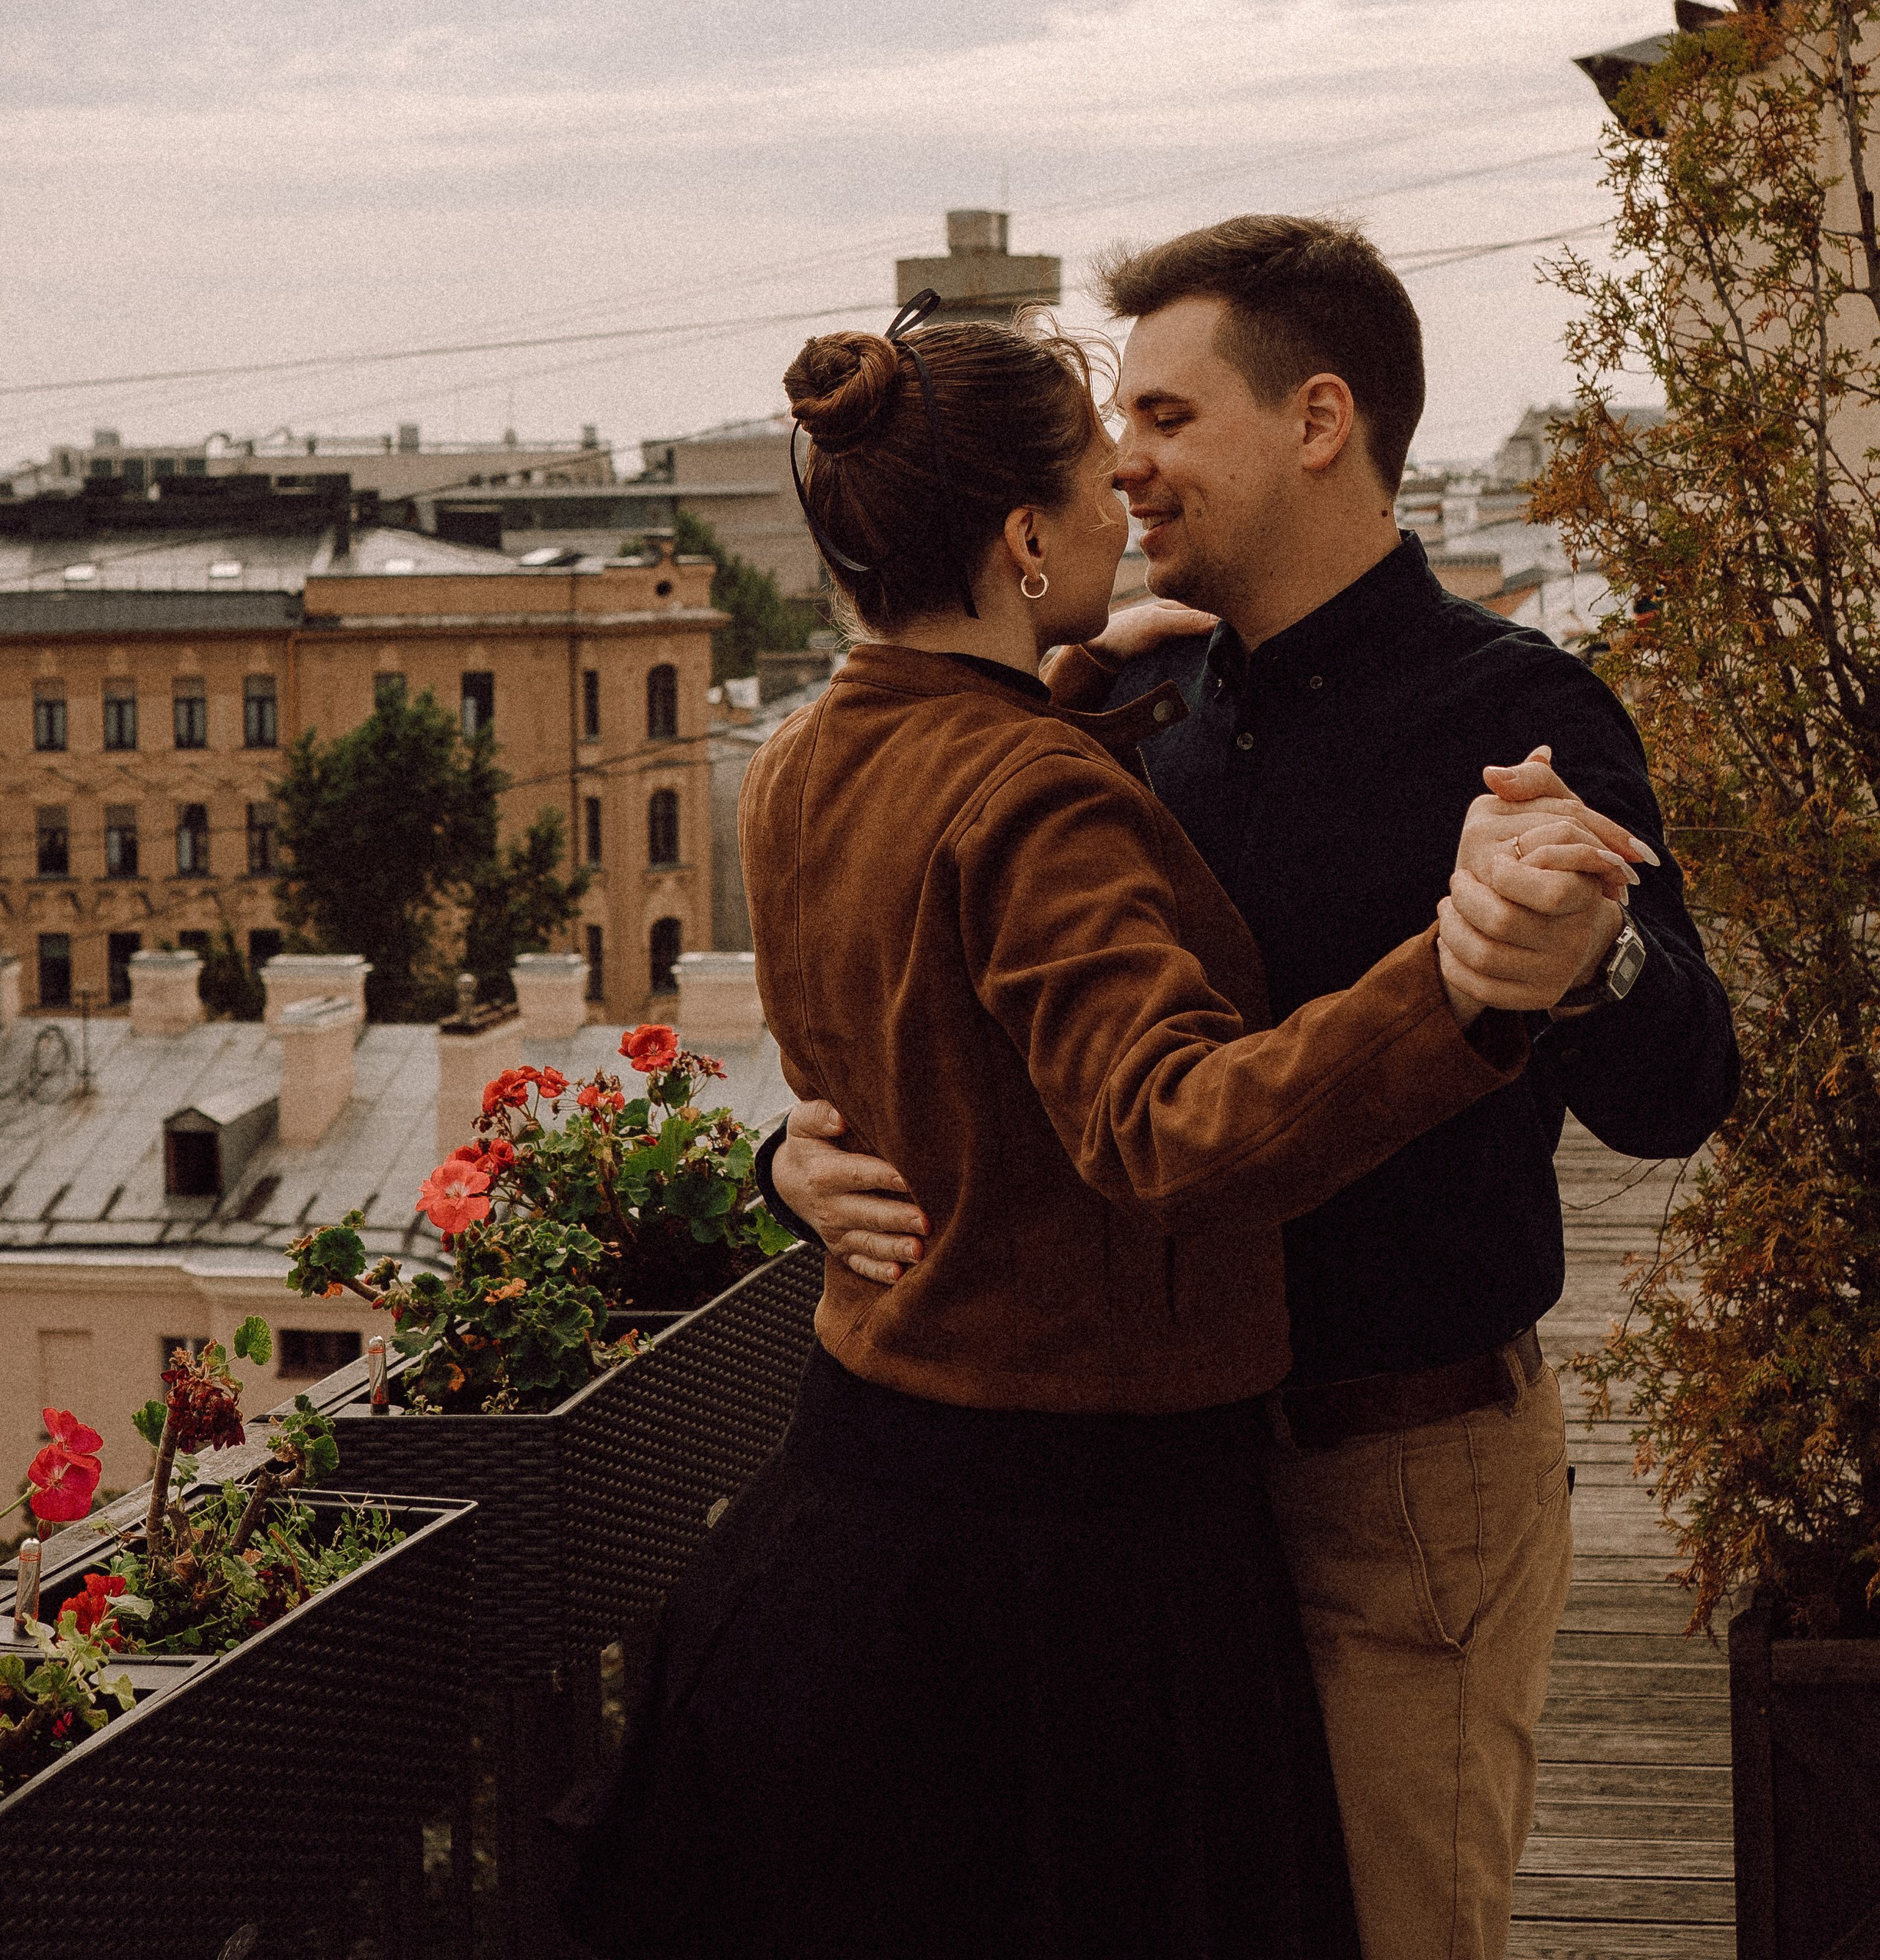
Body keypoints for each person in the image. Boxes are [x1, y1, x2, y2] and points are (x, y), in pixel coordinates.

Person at [565, 298, 1638, 1960]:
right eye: (1090, 471)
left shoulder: (796, 761)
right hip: (1072, 1552)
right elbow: (1167, 1131)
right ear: (1020, 538)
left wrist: (1050, 698)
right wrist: (1456, 986)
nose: (1121, 496)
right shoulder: (1034, 788)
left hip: (850, 1511)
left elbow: (906, 1031)